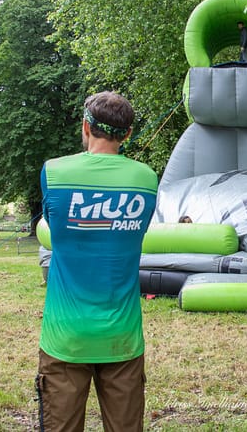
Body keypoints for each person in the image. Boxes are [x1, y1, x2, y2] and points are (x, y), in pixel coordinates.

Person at [36, 91, 158, 432]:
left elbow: (52, 224)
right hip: (122, 336)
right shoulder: (146, 179)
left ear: (85, 126)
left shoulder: (54, 172)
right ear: (128, 134)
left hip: (65, 337)